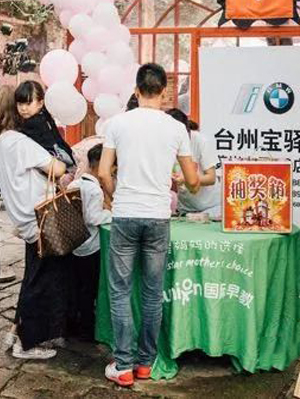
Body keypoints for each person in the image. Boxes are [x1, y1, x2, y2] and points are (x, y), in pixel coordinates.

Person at [98, 63, 200, 387]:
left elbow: (103, 172)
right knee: (153, 293)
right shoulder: (176, 128)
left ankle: (123, 365)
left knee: (120, 291)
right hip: (158, 217)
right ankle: (145, 363)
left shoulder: (117, 123)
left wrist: (114, 198)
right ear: (165, 92)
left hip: (126, 214)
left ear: (136, 89)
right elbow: (193, 181)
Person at [0, 85, 69, 360]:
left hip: (23, 217)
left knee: (32, 276)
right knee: (39, 282)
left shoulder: (1, 141)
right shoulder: (20, 142)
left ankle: (16, 331)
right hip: (39, 218)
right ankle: (26, 342)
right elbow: (58, 168)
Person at [67, 144, 113, 341]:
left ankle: (72, 324)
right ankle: (87, 328)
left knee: (75, 287)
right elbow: (93, 218)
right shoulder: (94, 190)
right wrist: (111, 214)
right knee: (89, 289)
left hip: (73, 244)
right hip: (91, 247)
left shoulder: (74, 184)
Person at [166, 109, 221, 219]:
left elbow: (211, 178)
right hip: (185, 209)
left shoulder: (202, 141)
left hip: (209, 208)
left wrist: (186, 179)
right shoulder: (165, 143)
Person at [14, 80, 75, 168]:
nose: (23, 108)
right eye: (20, 104)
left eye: (28, 103)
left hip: (55, 164)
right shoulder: (45, 115)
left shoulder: (33, 122)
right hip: (64, 158)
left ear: (40, 103)